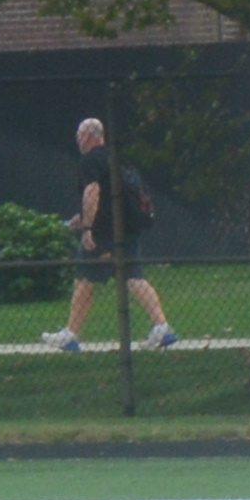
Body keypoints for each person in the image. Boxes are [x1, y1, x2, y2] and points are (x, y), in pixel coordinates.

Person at [48, 116, 183, 357]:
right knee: (134, 277)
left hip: (103, 232)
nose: (78, 141)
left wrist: (87, 227)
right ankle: (162, 327)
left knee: (84, 278)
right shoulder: (116, 159)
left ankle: (70, 335)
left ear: (89, 136)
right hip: (127, 229)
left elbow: (93, 191)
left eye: (80, 136)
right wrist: (82, 216)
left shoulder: (91, 160)